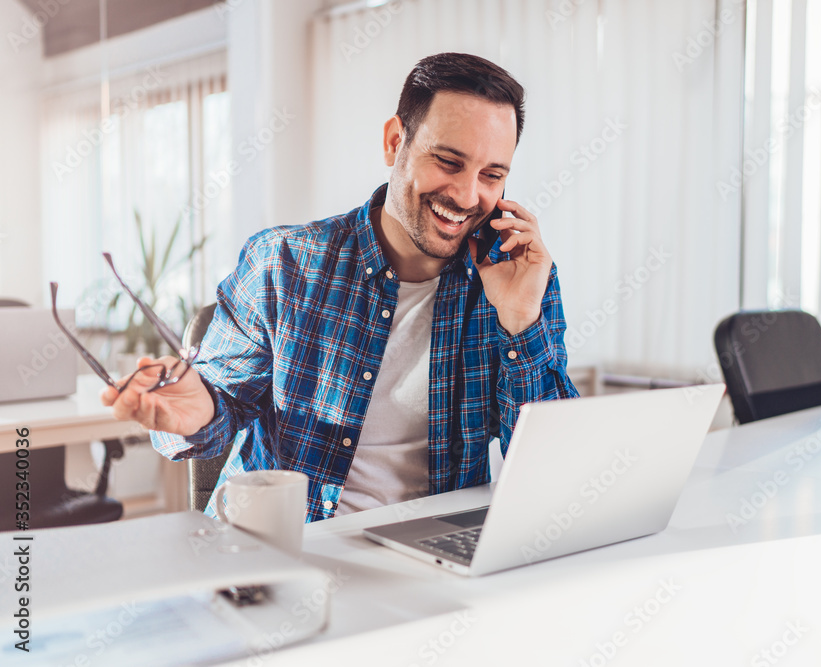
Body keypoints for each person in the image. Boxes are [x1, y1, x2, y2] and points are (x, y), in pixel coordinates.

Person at [102, 52, 579, 522]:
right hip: (286, 547)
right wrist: (197, 412)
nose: (467, 195)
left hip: (429, 558)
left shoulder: (518, 279)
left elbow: (550, 463)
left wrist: (521, 322)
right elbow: (220, 405)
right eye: (449, 161)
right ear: (395, 142)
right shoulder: (285, 261)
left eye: (492, 175)